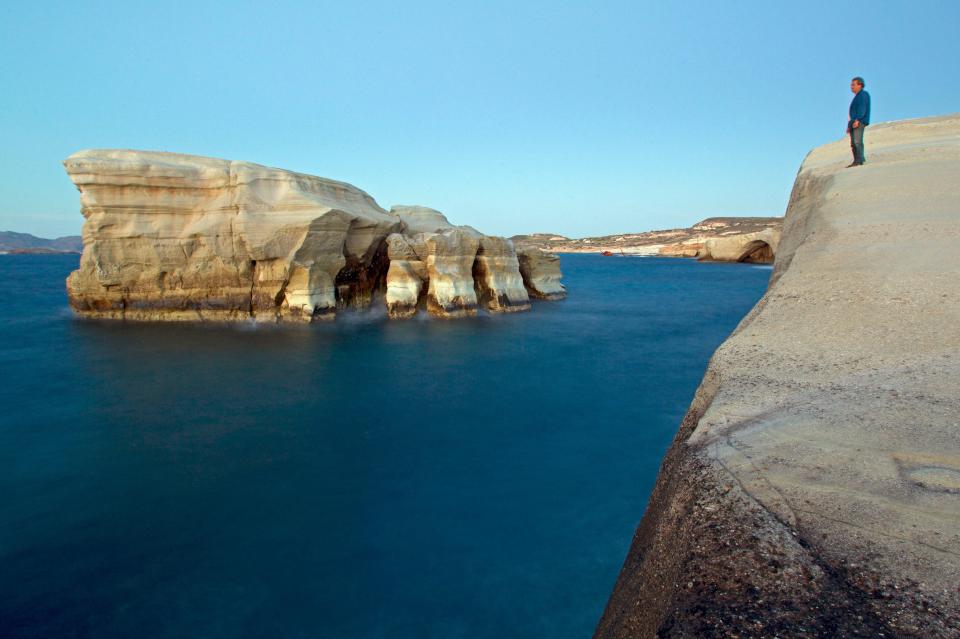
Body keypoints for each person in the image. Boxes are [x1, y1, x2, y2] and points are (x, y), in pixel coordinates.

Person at [847, 77, 871, 167]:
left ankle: (859, 160)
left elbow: (862, 108)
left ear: (860, 85)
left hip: (858, 121)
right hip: (853, 122)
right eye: (851, 85)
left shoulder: (863, 95)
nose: (851, 86)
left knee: (857, 141)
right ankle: (857, 160)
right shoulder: (857, 96)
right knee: (853, 143)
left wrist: (858, 119)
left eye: (853, 84)